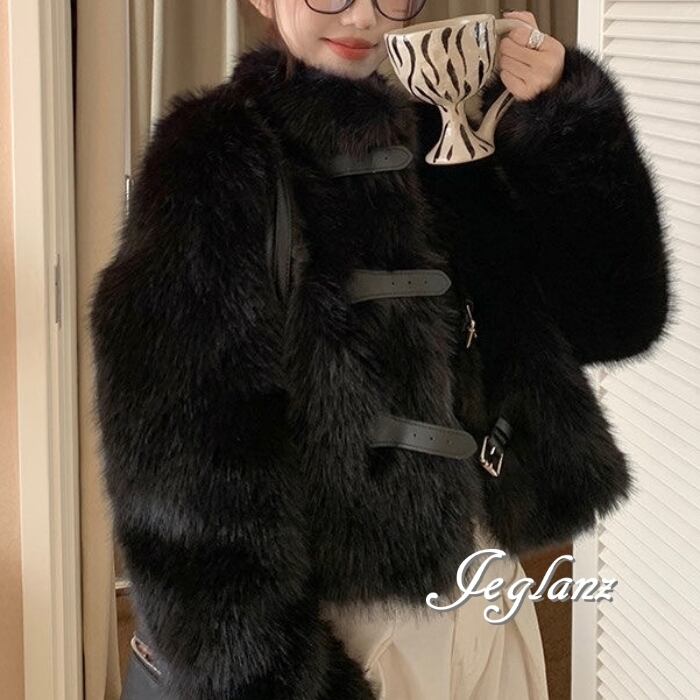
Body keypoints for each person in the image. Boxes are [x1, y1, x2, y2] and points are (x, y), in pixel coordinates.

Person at [88, 1, 672, 699]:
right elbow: (179, 478)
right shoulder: (211, 160)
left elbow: (616, 319)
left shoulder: (446, 137)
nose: (364, 15)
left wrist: (565, 120)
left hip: (488, 594)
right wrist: (282, 682)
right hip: (344, 635)